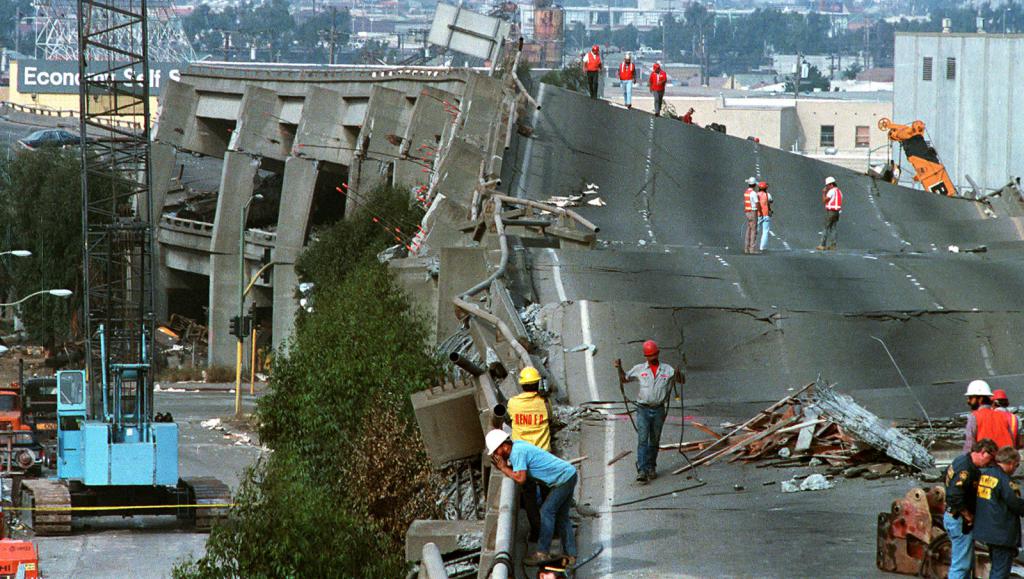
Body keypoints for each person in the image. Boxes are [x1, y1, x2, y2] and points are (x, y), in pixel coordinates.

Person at [486, 429, 577, 566]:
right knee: (562, 517)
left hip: (563, 479)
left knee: (547, 512)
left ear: (503, 446)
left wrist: (504, 468)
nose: (495, 455)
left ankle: (542, 552)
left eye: (495, 451)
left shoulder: (517, 452)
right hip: (568, 475)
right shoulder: (517, 446)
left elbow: (521, 478)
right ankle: (571, 555)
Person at [613, 339, 684, 483]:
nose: (652, 358)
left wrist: (678, 373)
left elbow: (682, 381)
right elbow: (624, 379)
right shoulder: (639, 369)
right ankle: (642, 470)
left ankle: (652, 466)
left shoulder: (667, 370)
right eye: (649, 356)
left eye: (654, 355)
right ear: (645, 356)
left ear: (658, 354)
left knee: (655, 440)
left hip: (658, 410)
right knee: (643, 440)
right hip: (643, 410)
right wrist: (619, 368)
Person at [507, 366, 552, 543]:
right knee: (548, 496)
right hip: (543, 456)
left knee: (530, 498)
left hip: (523, 459)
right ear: (537, 384)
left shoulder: (513, 403)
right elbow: (551, 419)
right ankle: (552, 531)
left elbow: (510, 418)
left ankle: (536, 533)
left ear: (522, 385)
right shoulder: (544, 403)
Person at [944, 438, 998, 579]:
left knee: (965, 563)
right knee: (961, 565)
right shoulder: (965, 470)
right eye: (990, 458)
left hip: (953, 517)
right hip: (959, 521)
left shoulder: (961, 460)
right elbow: (954, 496)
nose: (990, 463)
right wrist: (968, 516)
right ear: (982, 452)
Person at [973, 446, 1024, 579]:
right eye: (1017, 465)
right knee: (1000, 571)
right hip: (1002, 533)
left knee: (996, 567)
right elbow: (1016, 504)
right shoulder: (1006, 481)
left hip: (987, 531)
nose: (1015, 469)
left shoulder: (984, 474)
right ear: (1011, 463)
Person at [964, 379, 1016, 452]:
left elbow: (969, 445)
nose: (968, 401)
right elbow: (1011, 439)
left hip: (987, 459)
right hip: (1005, 459)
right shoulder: (1001, 416)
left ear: (980, 399)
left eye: (971, 398)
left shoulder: (974, 416)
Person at [816, 176, 842, 251]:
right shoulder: (839, 191)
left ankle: (822, 245)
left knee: (826, 227)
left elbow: (825, 200)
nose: (827, 187)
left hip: (831, 211)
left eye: (827, 185)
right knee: (833, 228)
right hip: (837, 212)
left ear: (831, 184)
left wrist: (824, 192)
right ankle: (833, 245)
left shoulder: (831, 191)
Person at [742, 177, 759, 254]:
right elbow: (756, 203)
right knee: (753, 230)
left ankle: (746, 248)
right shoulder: (753, 193)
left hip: (747, 212)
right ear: (754, 184)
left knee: (748, 229)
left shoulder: (746, 192)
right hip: (753, 211)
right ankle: (752, 249)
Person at [757, 181, 773, 252]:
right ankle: (762, 247)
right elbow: (771, 201)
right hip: (765, 214)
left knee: (755, 230)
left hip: (757, 215)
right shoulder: (767, 195)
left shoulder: (756, 194)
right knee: (765, 231)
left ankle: (752, 245)